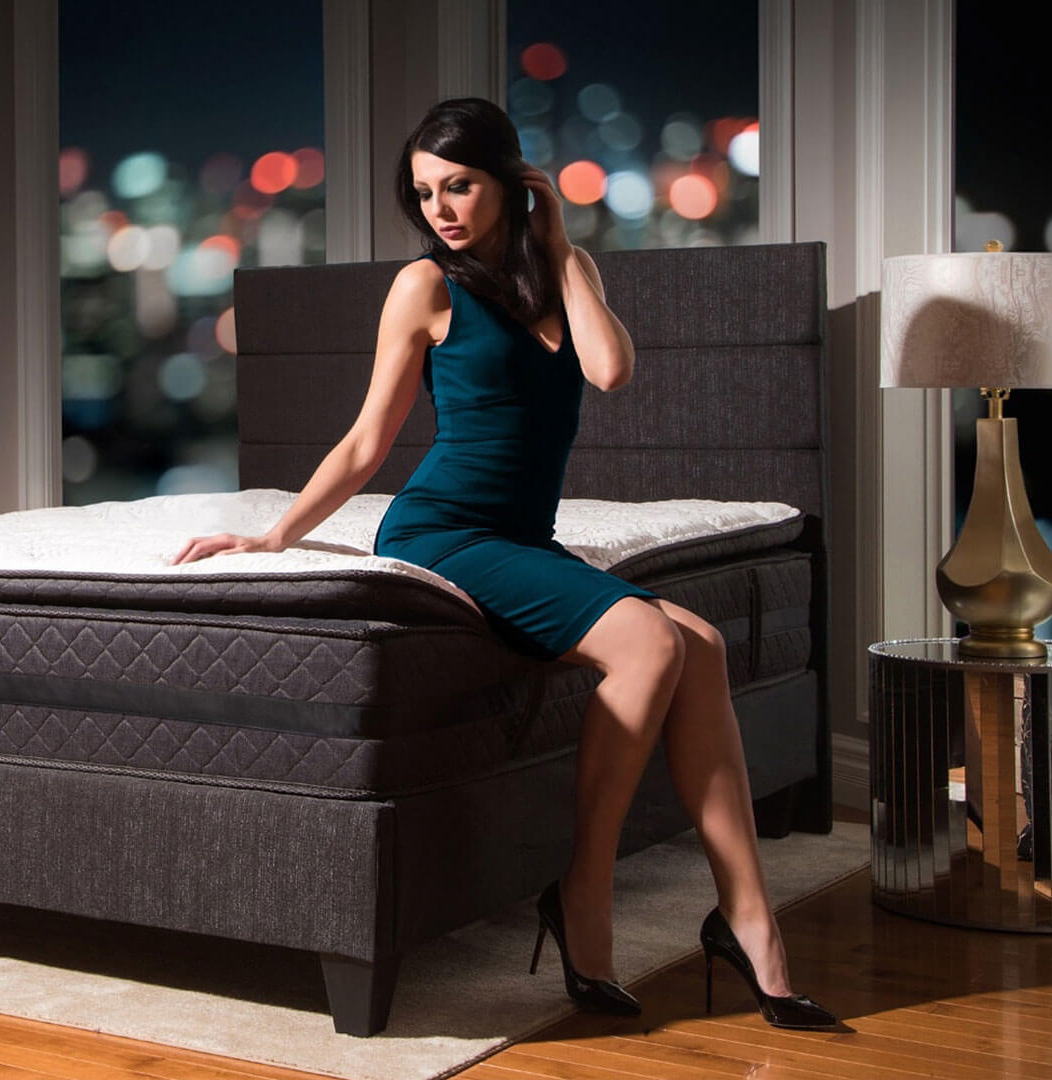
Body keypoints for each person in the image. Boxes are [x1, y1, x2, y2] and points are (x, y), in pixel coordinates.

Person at [171, 98, 836, 1030]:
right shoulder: (424, 287)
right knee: (647, 643)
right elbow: (368, 441)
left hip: (524, 538)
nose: (440, 209)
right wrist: (276, 536)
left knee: (705, 649)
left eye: (460, 186)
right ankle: (583, 895)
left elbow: (610, 371)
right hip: (445, 532)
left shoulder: (567, 270)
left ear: (511, 181)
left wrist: (560, 246)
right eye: (425, 193)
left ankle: (747, 917)